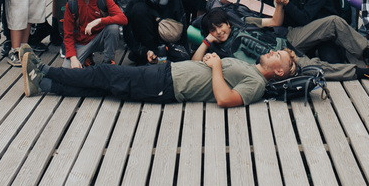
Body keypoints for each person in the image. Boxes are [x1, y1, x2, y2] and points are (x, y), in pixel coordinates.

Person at [21, 44, 293, 107]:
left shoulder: (256, 84)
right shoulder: (250, 69)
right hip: (168, 73)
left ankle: (43, 69)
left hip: (168, 86)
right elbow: (203, 68)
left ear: (278, 71)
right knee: (106, 87)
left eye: (277, 55)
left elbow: (225, 99)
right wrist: (209, 60)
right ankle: (44, 85)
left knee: (105, 72)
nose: (272, 51)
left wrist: (217, 66)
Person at [194, 3, 369, 82]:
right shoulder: (219, 51)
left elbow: (275, 22)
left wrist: (279, 5)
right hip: (278, 60)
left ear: (228, 23)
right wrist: (206, 42)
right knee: (315, 67)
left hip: (287, 38)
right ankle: (365, 72)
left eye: (221, 26)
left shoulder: (242, 21)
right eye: (213, 30)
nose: (219, 32)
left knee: (333, 22)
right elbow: (195, 63)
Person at [123, 0, 188, 64]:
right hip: (148, 48)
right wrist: (143, 51)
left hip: (169, 44)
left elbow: (182, 24)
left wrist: (184, 51)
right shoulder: (135, 2)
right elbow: (127, 33)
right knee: (139, 9)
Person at [62, 0, 127, 68]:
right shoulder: (72, 4)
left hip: (99, 39)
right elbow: (68, 35)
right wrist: (73, 57)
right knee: (67, 69)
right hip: (81, 43)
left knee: (113, 28)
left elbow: (123, 19)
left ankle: (108, 62)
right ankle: (87, 57)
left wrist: (99, 21)